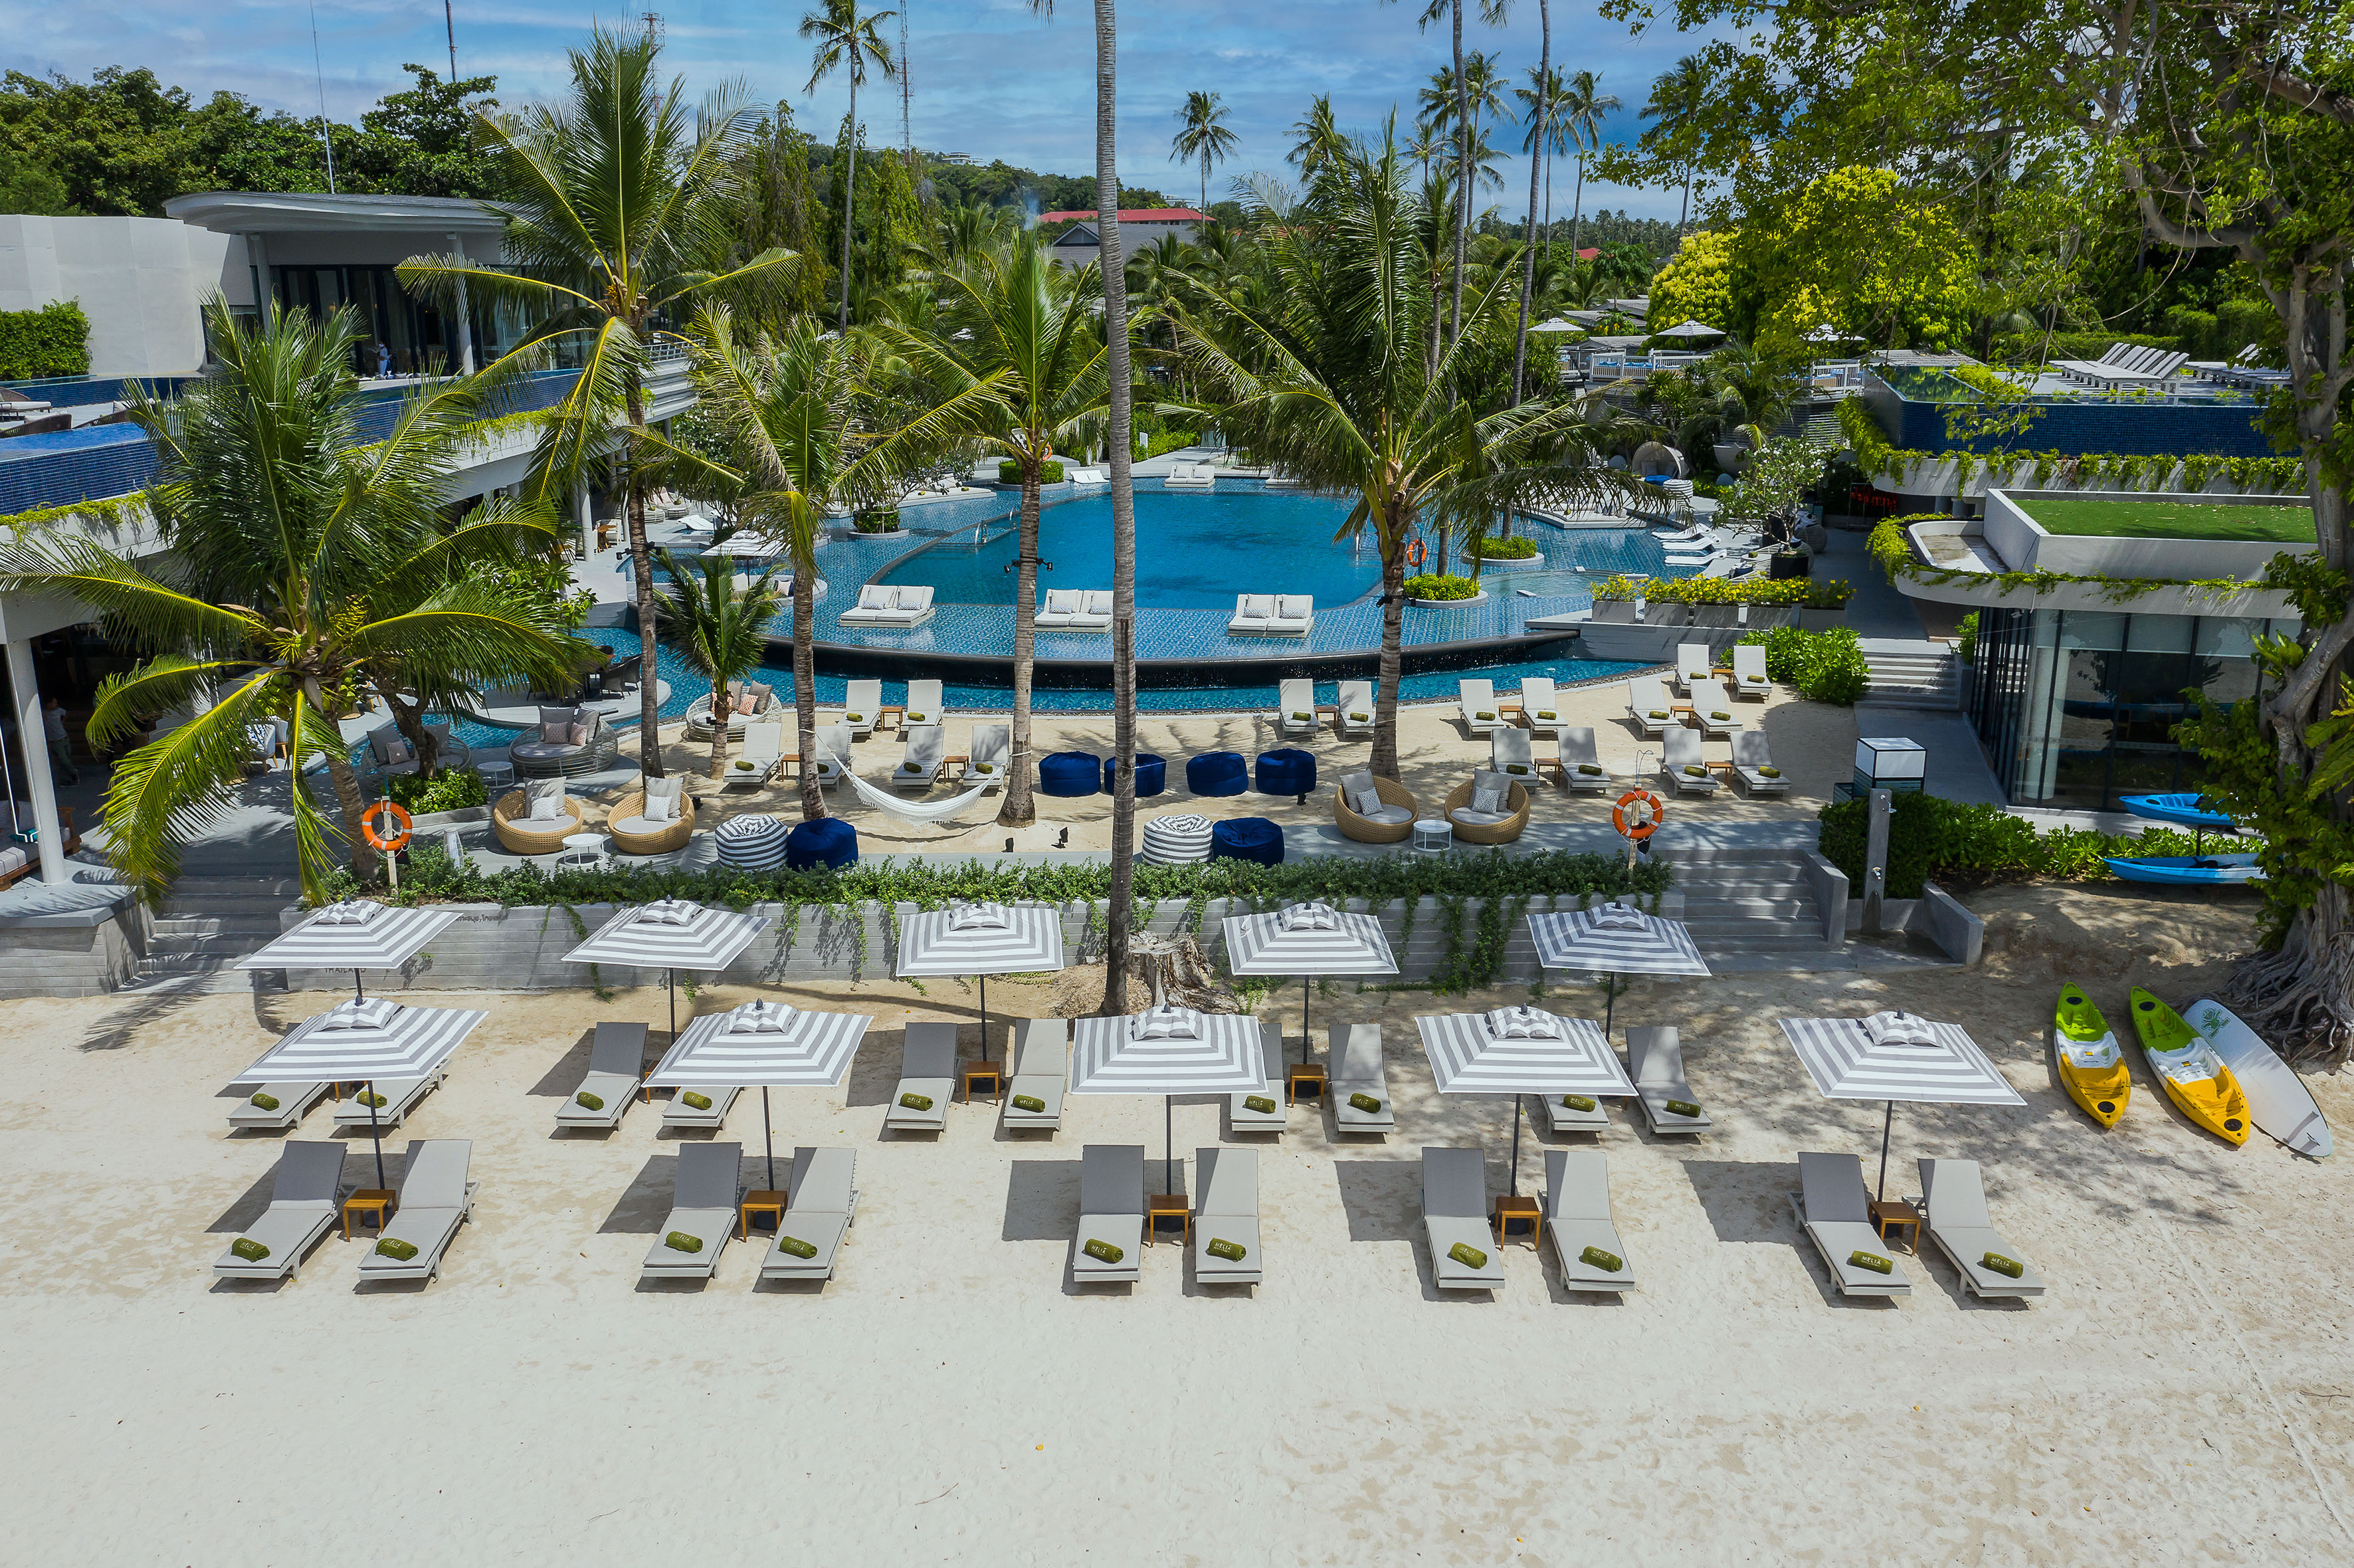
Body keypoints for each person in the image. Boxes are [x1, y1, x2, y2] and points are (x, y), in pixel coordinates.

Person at [41, 694, 78, 785]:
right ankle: (73, 774)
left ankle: (68, 777)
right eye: (54, 703)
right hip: (55, 741)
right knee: (64, 760)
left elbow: (66, 713)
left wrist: (62, 721)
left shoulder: (59, 710)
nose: (56, 704)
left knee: (67, 758)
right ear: (48, 704)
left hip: (64, 737)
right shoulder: (43, 713)